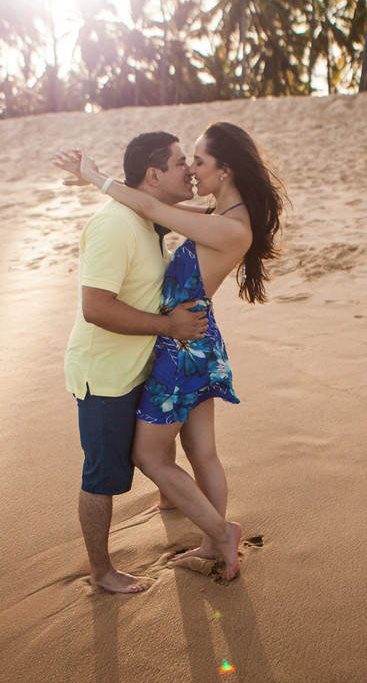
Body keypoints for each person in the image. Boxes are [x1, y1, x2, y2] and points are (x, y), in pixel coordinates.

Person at [55, 122, 285, 582]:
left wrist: (96, 178)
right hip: (195, 342)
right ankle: (213, 541)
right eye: (187, 161)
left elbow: (145, 201)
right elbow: (148, 205)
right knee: (202, 452)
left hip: (182, 348)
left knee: (150, 457)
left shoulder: (227, 227)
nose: (193, 170)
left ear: (226, 169)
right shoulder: (222, 215)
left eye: (198, 161)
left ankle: (220, 535)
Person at [64, 131, 206, 594]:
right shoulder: (114, 226)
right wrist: (169, 327)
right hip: (103, 374)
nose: (189, 170)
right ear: (153, 174)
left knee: (156, 446)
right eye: (181, 162)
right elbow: (96, 308)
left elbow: (207, 218)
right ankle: (101, 571)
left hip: (138, 364)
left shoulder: (149, 218)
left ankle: (168, 503)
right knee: (103, 475)